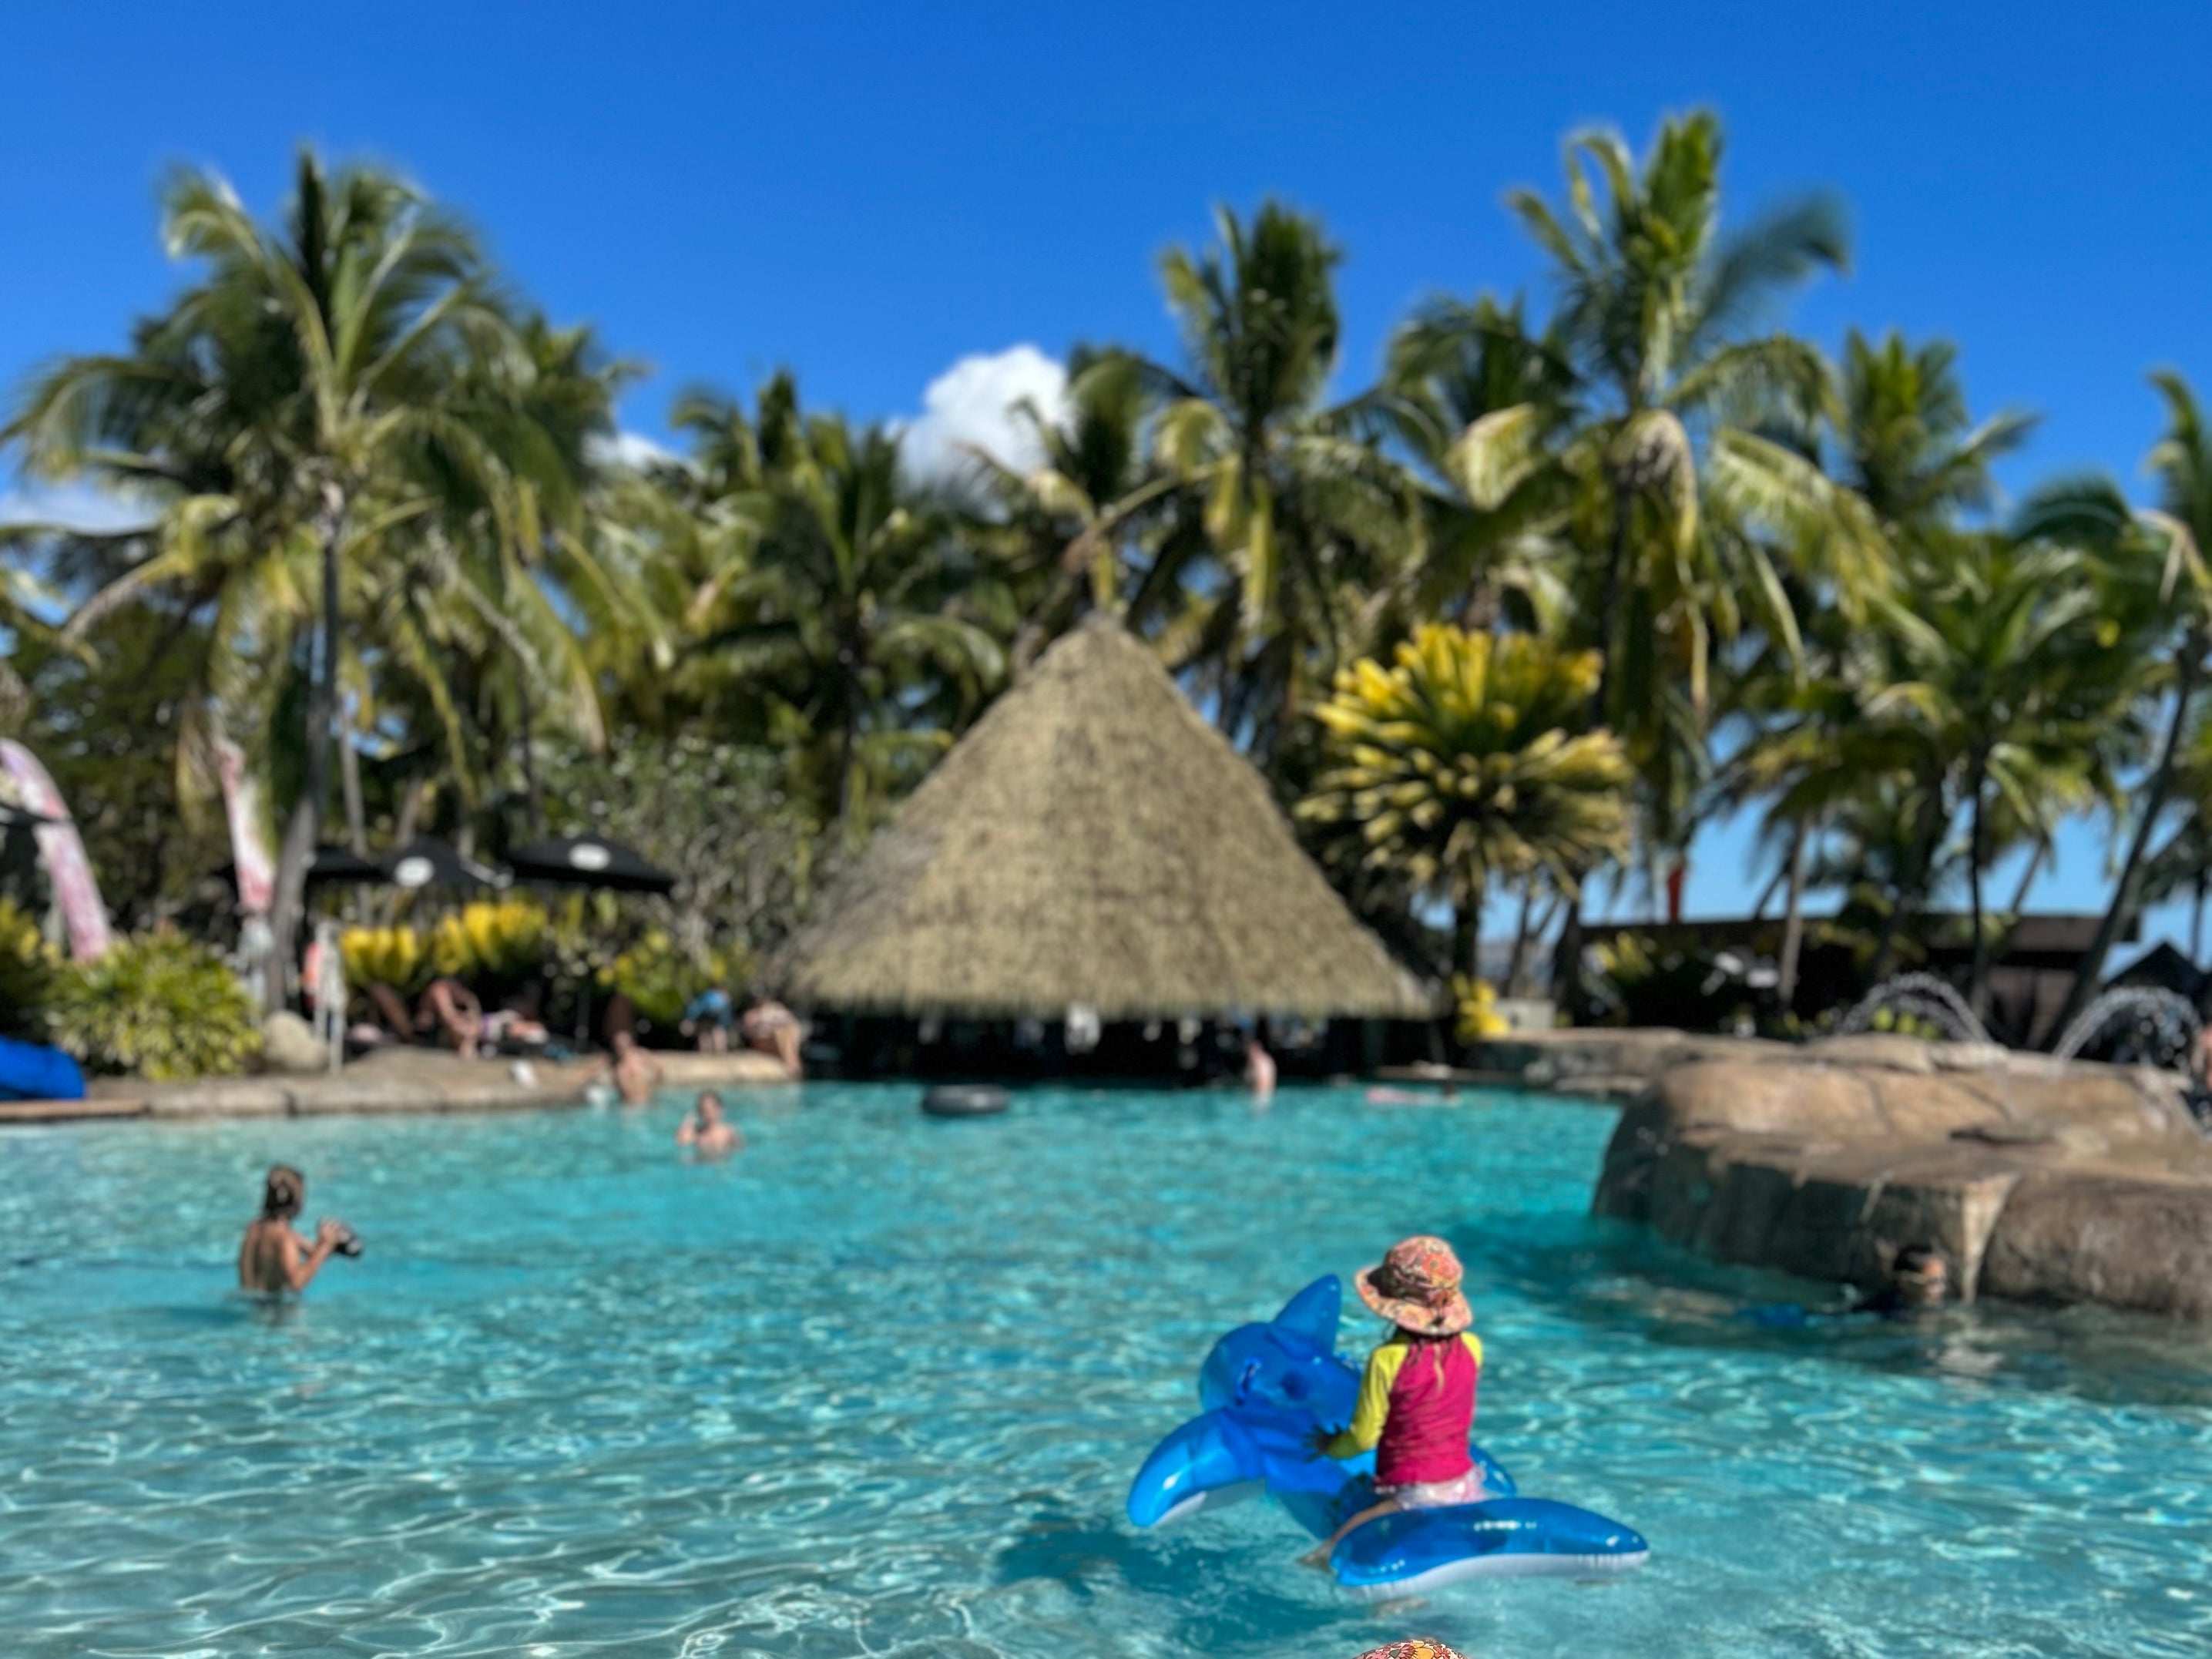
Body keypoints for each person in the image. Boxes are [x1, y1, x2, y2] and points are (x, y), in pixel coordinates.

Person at [1301, 1236, 1485, 1567]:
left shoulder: (1387, 1359)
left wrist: (1331, 1446)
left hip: (1411, 1491)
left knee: (1332, 1551)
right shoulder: (1472, 1347)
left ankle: (1330, 1563)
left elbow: (1363, 1436)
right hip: (1463, 1483)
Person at [237, 1164, 355, 1295]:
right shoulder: (285, 1238)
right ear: (296, 1201)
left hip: (250, 1302)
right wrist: (325, 1247)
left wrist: (326, 1244)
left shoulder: (254, 1228)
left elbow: (309, 1252)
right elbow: (296, 1282)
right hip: (275, 1310)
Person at [1850, 1244, 1950, 1318]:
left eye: (1943, 1280)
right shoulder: (1889, 1314)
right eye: (1934, 1282)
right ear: (1906, 1283)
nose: (1942, 1289)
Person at [740, 992, 804, 1078]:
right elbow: (749, 1032)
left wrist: (772, 1022)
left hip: (778, 1040)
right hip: (762, 1041)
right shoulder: (751, 1014)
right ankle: (791, 1061)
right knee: (779, 1033)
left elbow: (789, 1020)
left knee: (788, 1030)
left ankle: (790, 1059)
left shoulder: (775, 1009)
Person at [418, 977, 484, 1056]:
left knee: (472, 1028)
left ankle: (467, 1049)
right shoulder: (440, 990)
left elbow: (475, 1013)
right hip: (430, 1032)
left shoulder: (462, 994)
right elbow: (449, 1017)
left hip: (452, 1029)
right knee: (459, 1027)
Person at [605, 1029, 664, 1107]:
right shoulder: (615, 1064)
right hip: (626, 1105)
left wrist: (651, 1087)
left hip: (645, 1102)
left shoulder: (641, 1056)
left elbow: (659, 1069)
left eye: (625, 1046)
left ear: (631, 1045)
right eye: (618, 1046)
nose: (622, 1049)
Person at [676, 1090, 743, 1157]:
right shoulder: (697, 1133)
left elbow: (740, 1151)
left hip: (720, 1162)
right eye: (704, 1110)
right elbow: (681, 1143)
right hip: (700, 1162)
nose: (708, 1114)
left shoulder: (728, 1132)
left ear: (720, 1110)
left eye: (711, 1109)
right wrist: (689, 1120)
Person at [680, 986, 735, 1054]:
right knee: (716, 1033)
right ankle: (720, 1052)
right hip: (710, 1018)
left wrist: (689, 1018)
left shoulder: (708, 995)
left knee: (705, 1035)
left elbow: (696, 1008)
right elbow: (725, 1018)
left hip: (706, 1018)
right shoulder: (721, 999)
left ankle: (706, 1052)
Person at [1245, 1036, 1277, 1102]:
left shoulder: (1262, 1063)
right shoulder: (1261, 1061)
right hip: (1264, 1095)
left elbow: (1263, 1083)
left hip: (1260, 1097)